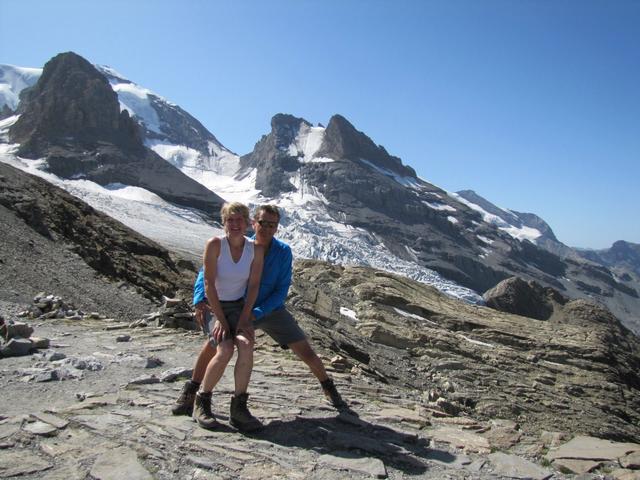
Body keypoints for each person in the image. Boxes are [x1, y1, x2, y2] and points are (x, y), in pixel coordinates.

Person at [172, 204, 345, 424]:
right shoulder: (240, 244)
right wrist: (199, 300)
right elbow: (207, 275)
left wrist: (255, 313)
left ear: (277, 228)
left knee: (305, 350)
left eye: (271, 224)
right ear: (254, 223)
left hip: (267, 309)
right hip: (236, 307)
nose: (266, 228)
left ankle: (328, 387)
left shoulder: (281, 252)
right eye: (262, 222)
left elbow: (281, 289)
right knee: (216, 344)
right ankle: (193, 393)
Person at [190, 201, 264, 431]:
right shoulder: (215, 245)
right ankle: (202, 400)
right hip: (214, 307)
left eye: (239, 219)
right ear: (223, 223)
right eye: (230, 220)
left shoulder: (256, 249)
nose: (235, 224)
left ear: (247, 223)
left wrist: (245, 317)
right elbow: (209, 283)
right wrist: (220, 320)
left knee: (246, 344)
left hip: (238, 307)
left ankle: (239, 407)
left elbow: (253, 286)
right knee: (225, 348)